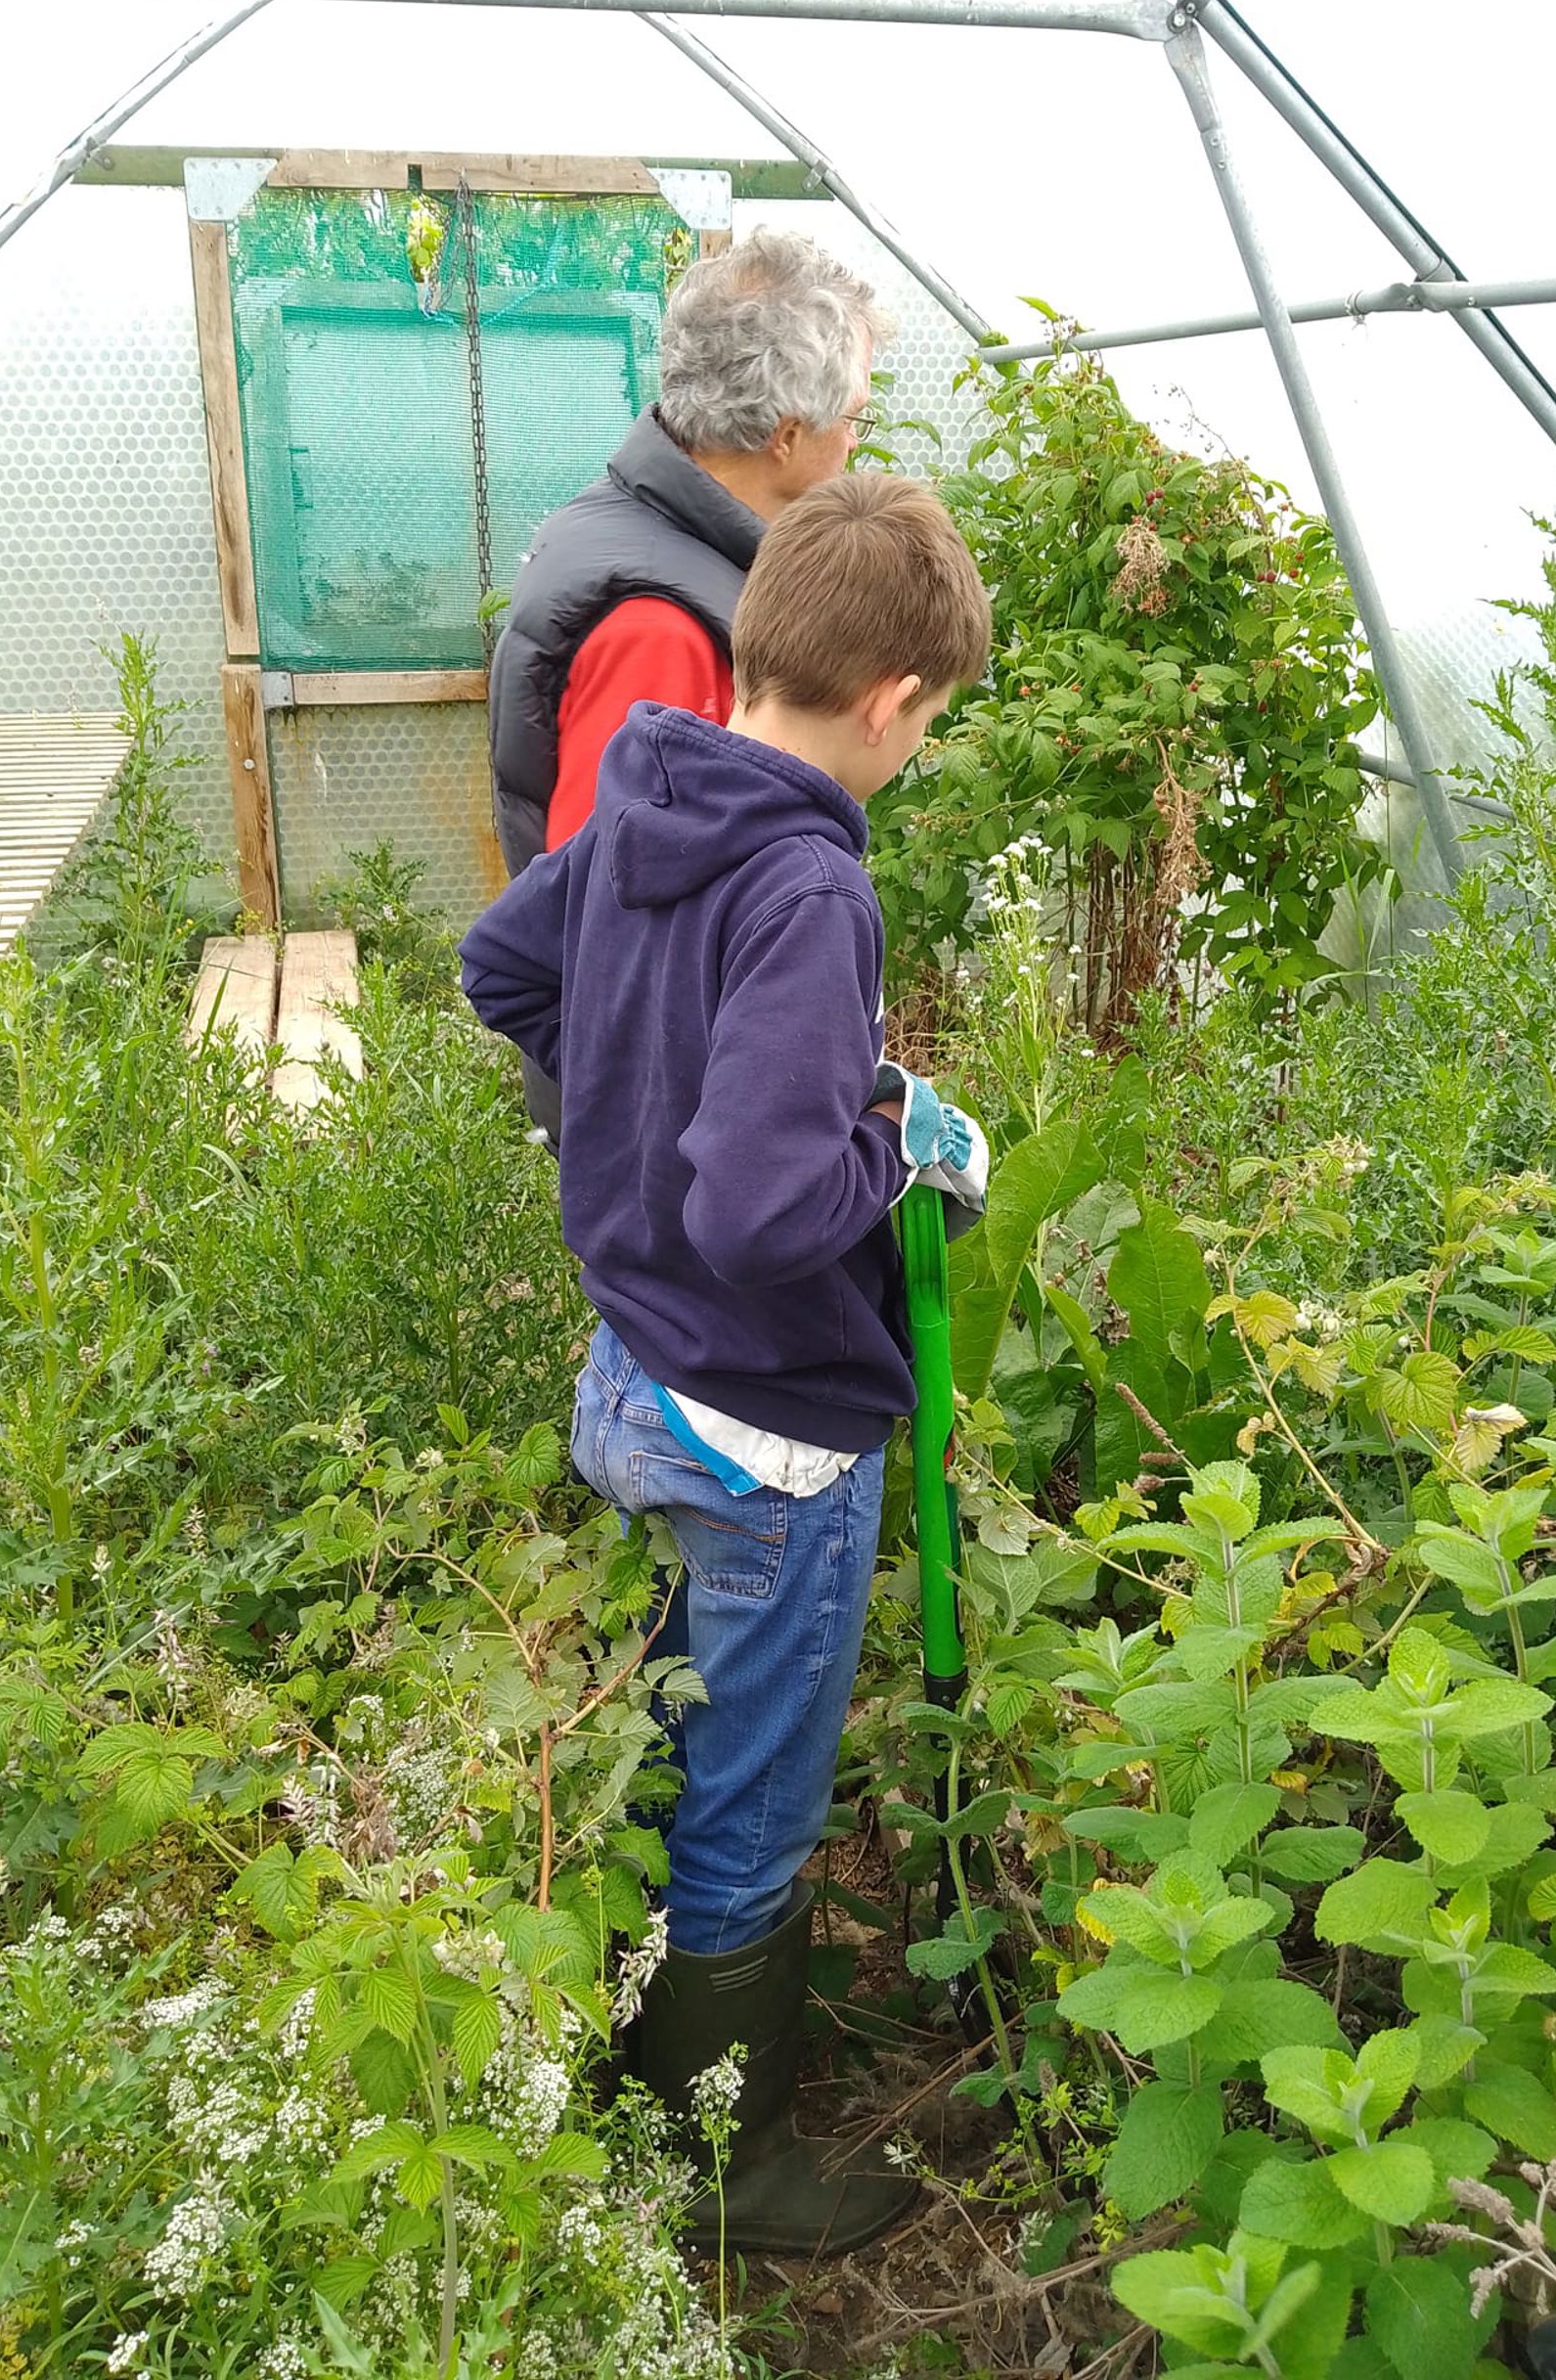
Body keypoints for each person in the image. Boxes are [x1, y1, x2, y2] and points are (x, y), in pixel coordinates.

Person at [460, 474, 993, 2256]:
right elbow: (771, 1210)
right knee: (752, 1805)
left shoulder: (648, 789)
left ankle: (631, 2051)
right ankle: (724, 2172)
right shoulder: (810, 891)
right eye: (931, 723)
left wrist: (633, 1131)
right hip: (764, 1431)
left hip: (637, 1374)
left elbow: (500, 966)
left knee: (670, 1722)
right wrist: (902, 1151)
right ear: (898, 701)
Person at [486, 233, 888, 1145]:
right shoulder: (659, 633)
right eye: (854, 417)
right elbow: (612, 937)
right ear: (787, 434)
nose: (858, 442)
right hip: (676, 1149)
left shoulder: (651, 534)